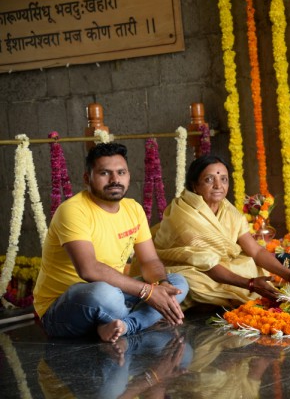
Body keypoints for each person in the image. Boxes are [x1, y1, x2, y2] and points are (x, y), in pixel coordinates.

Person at [33, 143, 189, 343]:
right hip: (64, 308)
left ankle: (123, 326)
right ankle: (130, 319)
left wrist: (162, 286)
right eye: (105, 173)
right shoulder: (73, 210)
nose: (115, 180)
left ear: (129, 175)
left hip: (116, 294)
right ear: (87, 178)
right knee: (105, 294)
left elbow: (149, 261)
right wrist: (148, 292)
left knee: (178, 283)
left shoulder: (133, 209)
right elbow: (89, 270)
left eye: (121, 172)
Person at [152, 155, 290, 309]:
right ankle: (224, 299)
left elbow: (256, 250)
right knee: (191, 281)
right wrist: (250, 283)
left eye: (223, 179)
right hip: (187, 268)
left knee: (250, 264)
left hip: (219, 266)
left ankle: (230, 296)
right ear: (194, 186)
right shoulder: (183, 214)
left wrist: (289, 274)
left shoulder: (229, 211)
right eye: (209, 180)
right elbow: (206, 263)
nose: (218, 185)